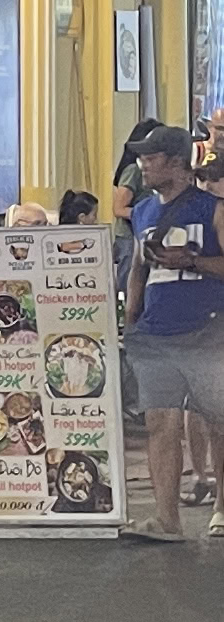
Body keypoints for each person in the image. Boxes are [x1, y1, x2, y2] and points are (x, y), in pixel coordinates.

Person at [123, 125, 224, 541]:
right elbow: (136, 271)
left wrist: (194, 262)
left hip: (208, 329)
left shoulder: (213, 209)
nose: (143, 164)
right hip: (156, 332)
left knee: (216, 420)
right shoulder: (143, 212)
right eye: (142, 156)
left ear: (178, 162)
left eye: (152, 156)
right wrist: (131, 320)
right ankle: (167, 519)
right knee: (159, 423)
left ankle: (222, 508)